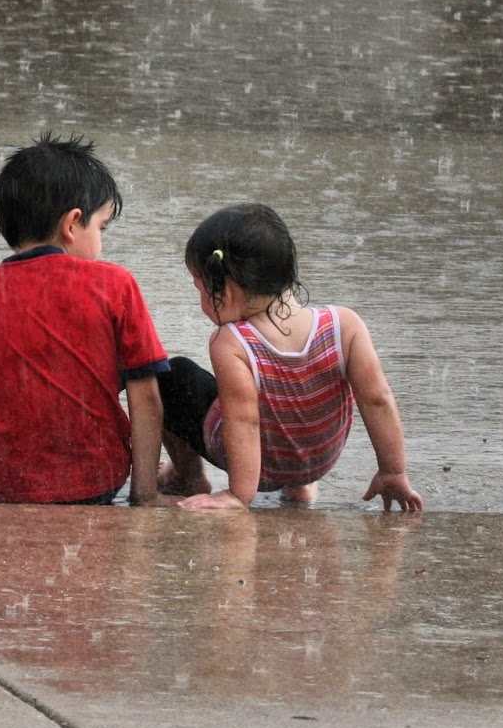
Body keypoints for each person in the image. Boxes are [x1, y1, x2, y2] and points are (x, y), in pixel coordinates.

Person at [0, 132, 168, 505]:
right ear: (72, 224)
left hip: (0, 484)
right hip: (95, 482)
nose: (101, 243)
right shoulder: (115, 284)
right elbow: (146, 396)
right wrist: (145, 495)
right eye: (101, 228)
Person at [159, 203, 423, 511]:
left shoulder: (230, 342)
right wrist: (393, 471)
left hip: (259, 468)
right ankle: (300, 486)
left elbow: (244, 421)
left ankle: (187, 476)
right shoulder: (345, 326)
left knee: (171, 376)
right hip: (318, 459)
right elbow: (377, 399)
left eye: (200, 289)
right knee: (290, 390)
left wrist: (238, 496)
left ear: (225, 292)